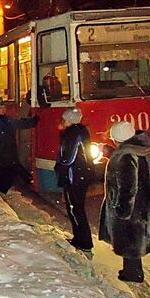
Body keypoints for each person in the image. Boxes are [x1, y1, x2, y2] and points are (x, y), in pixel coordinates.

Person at [99, 121, 150, 283]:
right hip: (141, 205)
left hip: (132, 209)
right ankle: (132, 271)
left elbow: (128, 186)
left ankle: (133, 274)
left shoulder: (126, 157)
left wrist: (123, 209)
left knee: (131, 242)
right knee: (135, 240)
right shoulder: (136, 150)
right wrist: (111, 153)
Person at [54, 108, 94, 252]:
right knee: (77, 208)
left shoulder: (72, 134)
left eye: (65, 119)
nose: (63, 122)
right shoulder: (81, 132)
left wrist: (60, 166)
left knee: (74, 208)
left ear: (70, 120)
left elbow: (68, 158)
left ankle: (83, 241)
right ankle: (81, 238)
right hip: (80, 175)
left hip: (74, 175)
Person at [0, 97, 38, 193]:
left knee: (10, 169)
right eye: (0, 108)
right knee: (1, 171)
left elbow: (19, 124)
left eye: (4, 107)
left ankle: (3, 190)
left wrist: (32, 122)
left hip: (8, 151)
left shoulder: (6, 119)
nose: (3, 110)